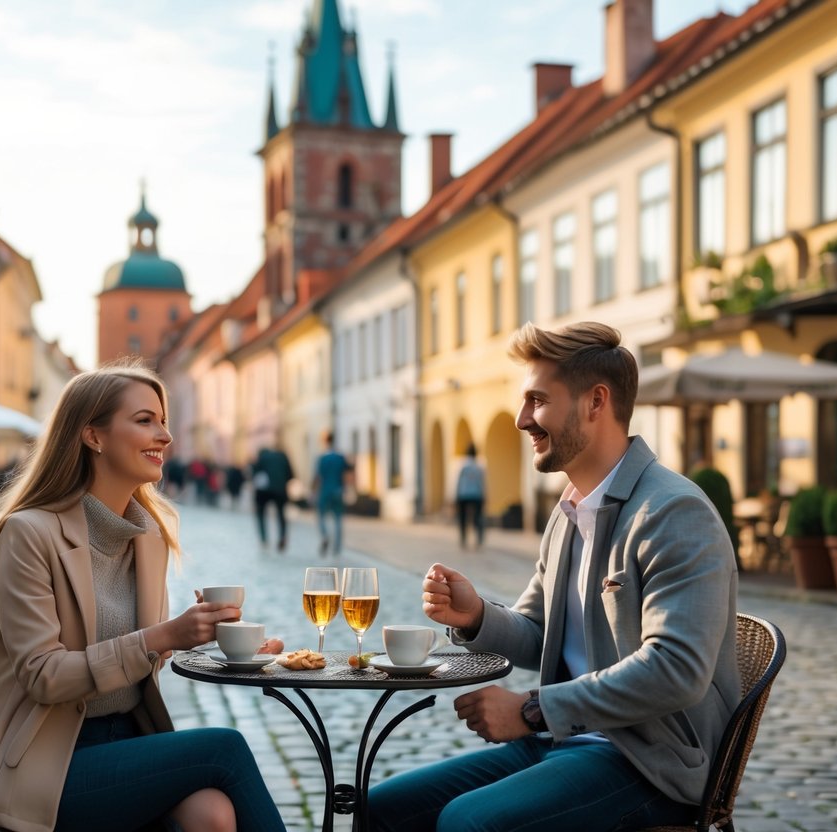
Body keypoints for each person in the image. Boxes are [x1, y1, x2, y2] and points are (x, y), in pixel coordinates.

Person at [368, 321, 740, 832]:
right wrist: (476, 617)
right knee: (380, 810)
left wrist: (533, 710)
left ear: (595, 402)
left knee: (468, 823)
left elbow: (675, 669)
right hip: (562, 743)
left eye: (537, 401)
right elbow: (541, 636)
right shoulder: (569, 511)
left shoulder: (673, 512)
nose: (522, 420)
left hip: (649, 763)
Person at [0, 359, 286, 832]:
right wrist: (161, 636)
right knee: (223, 747)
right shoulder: (29, 533)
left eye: (163, 421)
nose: (166, 436)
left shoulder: (147, 535)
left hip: (129, 745)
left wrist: (210, 642)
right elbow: (44, 676)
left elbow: (136, 660)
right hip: (48, 765)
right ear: (92, 436)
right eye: (145, 421)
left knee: (212, 813)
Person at [312, 431, 353, 556]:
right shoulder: (340, 457)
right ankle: (337, 547)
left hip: (325, 490)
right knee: (338, 519)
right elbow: (349, 469)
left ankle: (325, 535)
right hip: (338, 490)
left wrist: (313, 491)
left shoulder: (322, 458)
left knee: (321, 516)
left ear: (325, 441)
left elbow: (317, 477)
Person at [251, 444, 294, 551]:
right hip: (280, 489)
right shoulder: (282, 456)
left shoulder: (262, 457)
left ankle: (264, 539)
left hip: (263, 491)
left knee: (261, 513)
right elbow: (291, 474)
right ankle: (282, 537)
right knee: (281, 514)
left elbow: (255, 473)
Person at [455, 443, 486, 549]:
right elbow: (483, 482)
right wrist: (484, 495)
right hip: (477, 494)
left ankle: (463, 539)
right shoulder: (479, 466)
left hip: (463, 494)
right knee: (477, 518)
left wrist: (455, 494)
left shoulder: (462, 465)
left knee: (463, 518)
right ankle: (479, 540)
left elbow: (458, 481)